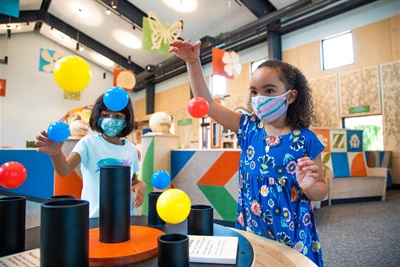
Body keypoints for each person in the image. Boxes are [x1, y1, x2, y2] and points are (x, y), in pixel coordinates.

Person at [169, 40, 328, 266]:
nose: (259, 98)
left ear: (291, 96)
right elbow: (208, 104)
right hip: (251, 228)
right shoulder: (248, 128)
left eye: (269, 90)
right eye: (254, 91)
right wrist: (193, 63)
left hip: (293, 235)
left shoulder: (306, 140)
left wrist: (311, 186)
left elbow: (321, 189)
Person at [35, 93, 146, 218]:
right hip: (95, 218)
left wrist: (140, 184)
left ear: (126, 120)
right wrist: (56, 154)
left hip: (124, 218)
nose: (111, 120)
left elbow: (132, 178)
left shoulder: (131, 149)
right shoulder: (88, 143)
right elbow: (65, 170)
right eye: (105, 115)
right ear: (98, 117)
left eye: (118, 116)